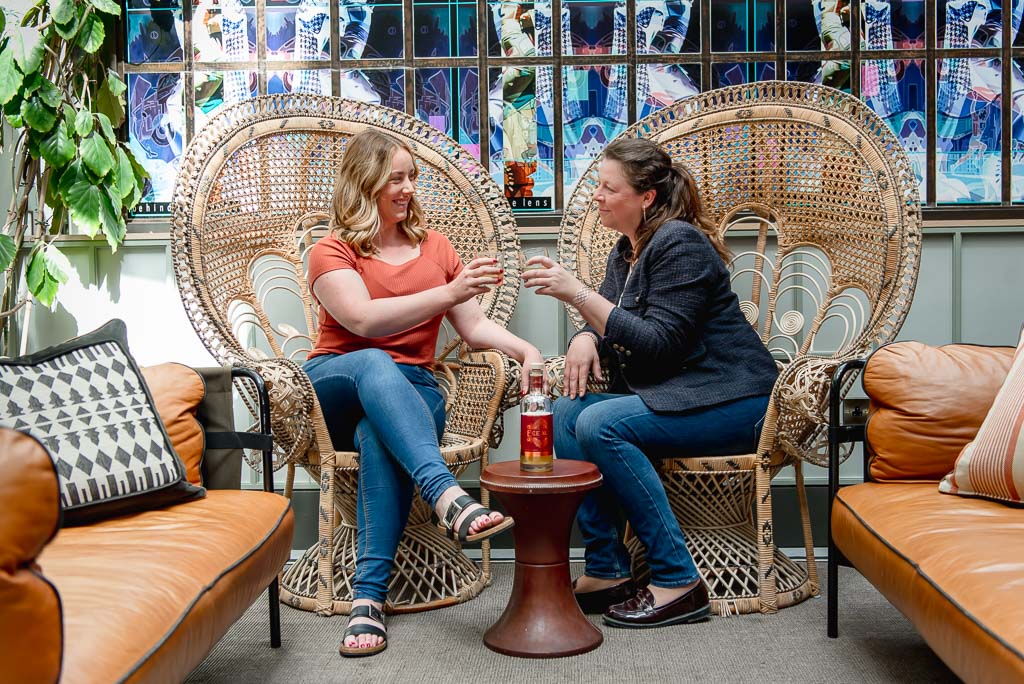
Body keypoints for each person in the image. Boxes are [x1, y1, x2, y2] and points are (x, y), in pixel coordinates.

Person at [304, 129, 543, 656]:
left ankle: (367, 601)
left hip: (411, 396)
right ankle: (445, 494)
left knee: (378, 434)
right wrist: (449, 291)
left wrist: (527, 351)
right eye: (397, 177)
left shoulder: (436, 247)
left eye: (413, 177)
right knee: (371, 362)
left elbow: (476, 328)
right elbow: (362, 321)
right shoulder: (332, 249)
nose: (409, 187)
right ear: (364, 182)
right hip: (337, 381)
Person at [521, 137, 778, 629]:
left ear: (647, 198)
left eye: (607, 187)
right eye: (598, 185)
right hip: (683, 395)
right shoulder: (627, 251)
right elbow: (612, 323)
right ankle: (607, 568)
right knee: (565, 416)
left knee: (601, 423)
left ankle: (677, 580)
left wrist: (577, 296)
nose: (596, 195)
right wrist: (584, 338)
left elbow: (659, 343)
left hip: (737, 400)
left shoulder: (680, 243)